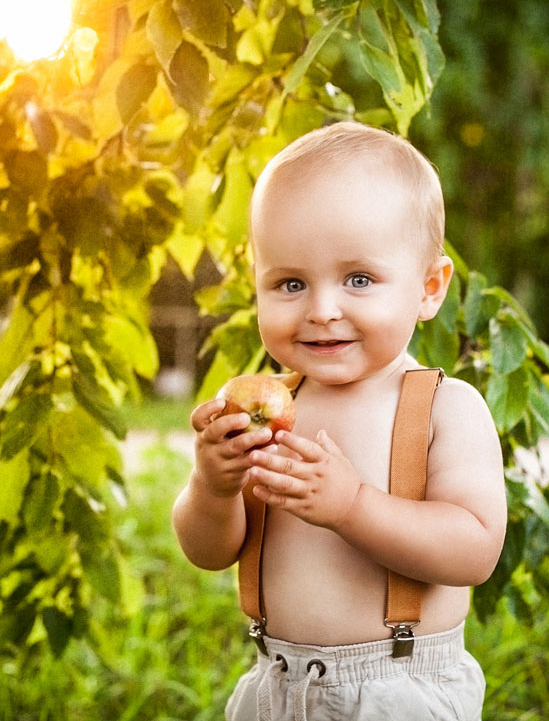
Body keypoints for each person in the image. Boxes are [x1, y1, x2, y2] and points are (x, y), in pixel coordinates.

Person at [172, 121, 507, 721]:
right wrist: (213, 487)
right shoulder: (260, 407)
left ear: (429, 288)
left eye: (359, 279)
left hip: (396, 691)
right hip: (274, 688)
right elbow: (208, 550)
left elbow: (474, 549)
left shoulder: (443, 408)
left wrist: (352, 505)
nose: (322, 310)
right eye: (290, 283)